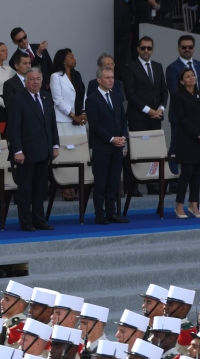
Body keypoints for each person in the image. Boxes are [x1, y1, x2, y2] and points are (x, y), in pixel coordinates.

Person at [124, 36, 168, 195]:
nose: (146, 51)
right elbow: (130, 94)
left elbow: (164, 90)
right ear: (138, 49)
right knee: (136, 152)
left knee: (154, 152)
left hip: (156, 117)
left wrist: (161, 108)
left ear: (153, 49)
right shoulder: (130, 67)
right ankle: (132, 186)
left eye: (149, 48)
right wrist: (148, 110)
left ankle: (152, 184)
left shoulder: (158, 66)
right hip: (138, 117)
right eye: (143, 48)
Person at [85, 67, 129, 225]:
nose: (111, 80)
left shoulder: (117, 97)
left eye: (112, 77)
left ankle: (112, 212)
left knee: (114, 181)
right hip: (102, 147)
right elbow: (94, 125)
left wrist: (123, 137)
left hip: (117, 146)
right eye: (107, 77)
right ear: (99, 80)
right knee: (101, 181)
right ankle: (99, 214)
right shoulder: (92, 99)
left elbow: (123, 120)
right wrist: (111, 139)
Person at [165, 34, 200, 186]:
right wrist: (194, 103)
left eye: (190, 47)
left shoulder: (199, 65)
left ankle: (196, 181)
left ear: (193, 48)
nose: (187, 50)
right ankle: (173, 180)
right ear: (178, 48)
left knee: (197, 148)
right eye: (183, 47)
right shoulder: (172, 68)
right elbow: (175, 91)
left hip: (198, 117)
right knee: (176, 147)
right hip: (180, 116)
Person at [171, 68, 200, 219]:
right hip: (187, 139)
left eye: (193, 75)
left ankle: (194, 204)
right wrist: (197, 134)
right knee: (186, 173)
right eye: (187, 76)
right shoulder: (178, 96)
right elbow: (181, 119)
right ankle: (179, 205)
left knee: (197, 174)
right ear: (182, 81)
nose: (191, 78)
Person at [50, 48, 87, 201]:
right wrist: (73, 115)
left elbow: (82, 95)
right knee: (65, 156)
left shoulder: (77, 75)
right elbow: (58, 101)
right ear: (64, 60)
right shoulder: (56, 77)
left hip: (79, 121)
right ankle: (66, 188)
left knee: (78, 155)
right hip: (63, 121)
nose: (74, 59)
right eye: (71, 56)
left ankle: (76, 185)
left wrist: (83, 113)